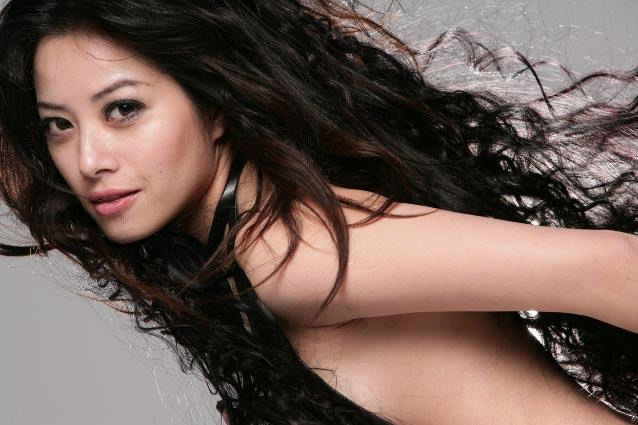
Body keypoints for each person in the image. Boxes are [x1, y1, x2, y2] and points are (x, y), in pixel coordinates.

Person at [1, 0, 638, 424]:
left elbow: (613, 268)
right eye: (59, 125)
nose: (88, 160)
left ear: (214, 106)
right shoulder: (259, 256)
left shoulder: (295, 250)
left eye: (123, 109)